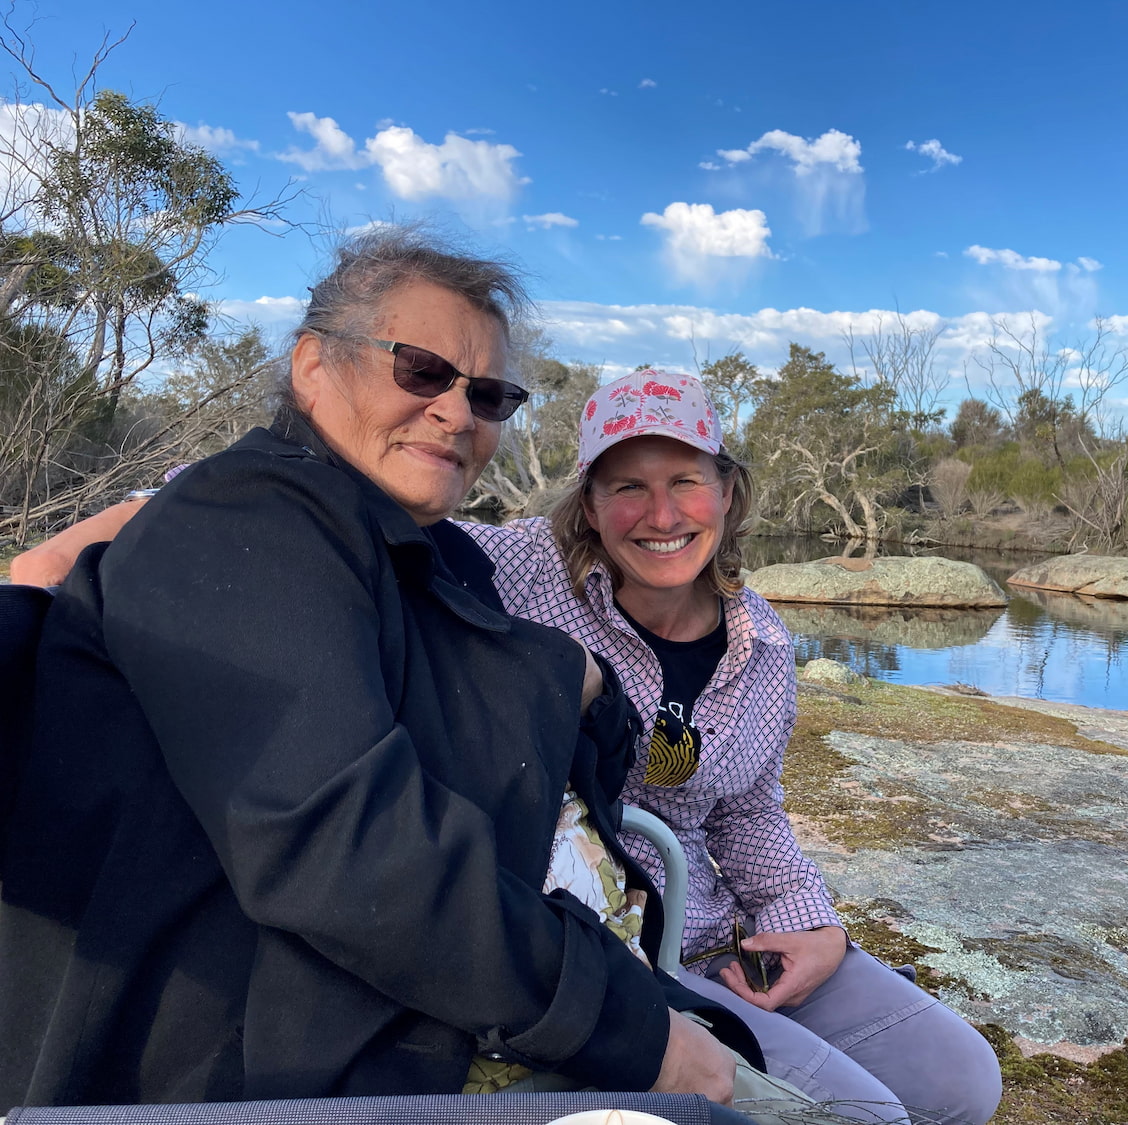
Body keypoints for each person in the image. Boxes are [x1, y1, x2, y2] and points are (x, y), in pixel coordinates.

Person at [11, 373, 1003, 1124]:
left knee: (966, 1080)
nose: (658, 516)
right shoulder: (513, 565)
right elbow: (297, 508)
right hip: (611, 927)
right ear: (587, 499)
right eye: (625, 488)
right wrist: (66, 557)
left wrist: (809, 922)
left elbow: (749, 807)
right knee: (868, 1116)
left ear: (728, 492)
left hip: (729, 932)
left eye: (684, 482)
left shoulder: (766, 638)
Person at [0, 229, 762, 1108]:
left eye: (487, 394)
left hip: (480, 1009)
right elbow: (347, 848)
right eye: (422, 370)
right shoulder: (241, 525)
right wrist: (636, 1034)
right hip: (288, 1074)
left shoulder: (431, 557)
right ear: (314, 365)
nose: (455, 412)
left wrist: (575, 679)